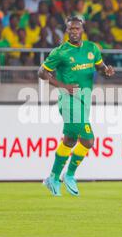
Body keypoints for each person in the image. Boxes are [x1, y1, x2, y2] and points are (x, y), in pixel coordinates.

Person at [38, 16, 115, 196]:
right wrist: (63, 86)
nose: (74, 32)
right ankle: (69, 175)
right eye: (70, 29)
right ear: (66, 31)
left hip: (85, 100)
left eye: (77, 29)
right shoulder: (60, 52)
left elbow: (100, 67)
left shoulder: (92, 49)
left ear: (82, 30)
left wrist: (106, 71)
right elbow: (42, 72)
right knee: (88, 140)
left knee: (70, 140)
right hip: (68, 100)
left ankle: (52, 177)